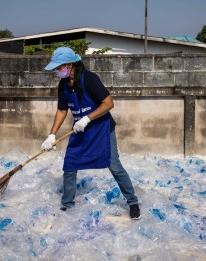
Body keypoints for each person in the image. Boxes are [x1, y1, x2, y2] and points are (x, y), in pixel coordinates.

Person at [41, 47, 141, 220]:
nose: (57, 71)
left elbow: (108, 103)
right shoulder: (63, 85)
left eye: (59, 67)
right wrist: (52, 135)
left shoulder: (90, 79)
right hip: (80, 129)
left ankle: (132, 202)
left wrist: (87, 118)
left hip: (101, 129)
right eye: (56, 68)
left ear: (70, 65)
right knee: (70, 164)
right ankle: (67, 204)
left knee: (115, 167)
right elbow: (62, 110)